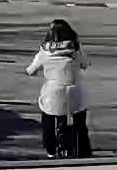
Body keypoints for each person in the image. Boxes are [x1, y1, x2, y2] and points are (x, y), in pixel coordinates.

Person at [26, 19, 93, 159]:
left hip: (53, 94)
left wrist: (29, 71)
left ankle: (50, 149)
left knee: (48, 119)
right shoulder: (75, 48)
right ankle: (84, 149)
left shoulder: (45, 50)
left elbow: (32, 69)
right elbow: (85, 64)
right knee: (80, 122)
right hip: (75, 92)